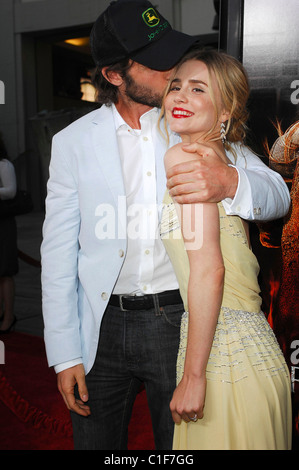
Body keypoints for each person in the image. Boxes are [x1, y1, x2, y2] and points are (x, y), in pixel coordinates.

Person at [41, 0, 290, 450]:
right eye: (157, 65)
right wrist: (64, 353)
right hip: (101, 327)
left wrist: (230, 181)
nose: (173, 73)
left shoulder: (193, 122)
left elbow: (278, 193)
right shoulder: (72, 143)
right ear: (115, 76)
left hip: (179, 320)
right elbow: (58, 254)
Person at [160, 48, 292, 450]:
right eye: (176, 86)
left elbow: (208, 271)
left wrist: (193, 376)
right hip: (252, 355)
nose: (180, 96)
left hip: (220, 361)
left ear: (226, 110)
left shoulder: (188, 157)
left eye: (197, 89)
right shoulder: (219, 152)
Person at [0, 136, 18, 333]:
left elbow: (11, 191)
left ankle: (9, 316)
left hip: (3, 223)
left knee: (5, 272)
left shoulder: (4, 165)